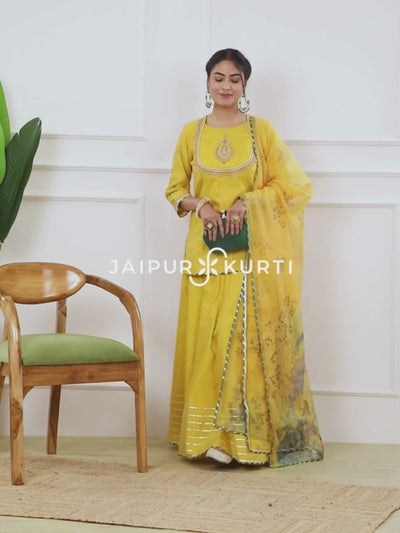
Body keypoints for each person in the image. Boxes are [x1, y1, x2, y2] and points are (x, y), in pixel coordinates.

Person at [165, 48, 323, 466]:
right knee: (207, 342)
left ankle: (242, 441)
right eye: (218, 78)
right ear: (207, 82)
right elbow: (175, 190)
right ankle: (204, 437)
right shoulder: (191, 133)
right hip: (204, 253)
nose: (226, 86)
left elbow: (294, 187)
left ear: (245, 85)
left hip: (249, 254)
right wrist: (200, 205)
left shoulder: (261, 132)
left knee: (238, 341)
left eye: (234, 79)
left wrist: (246, 202)